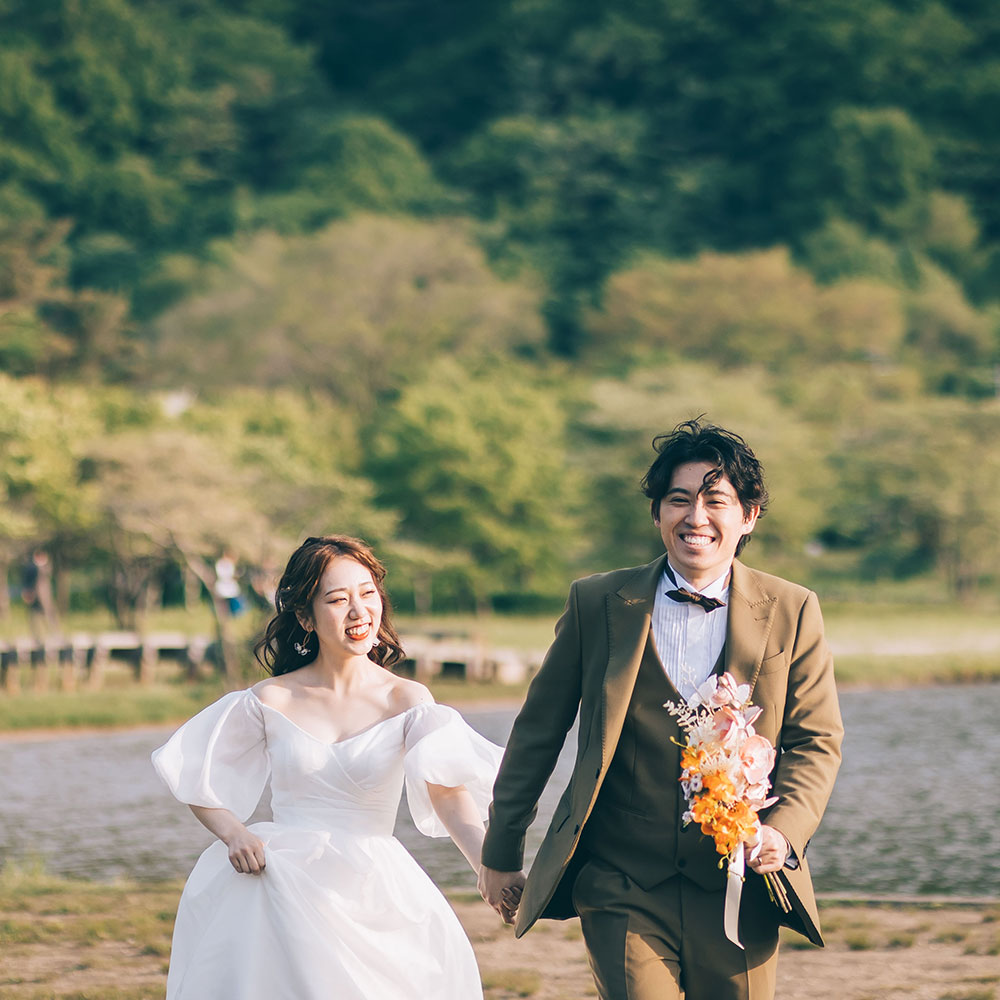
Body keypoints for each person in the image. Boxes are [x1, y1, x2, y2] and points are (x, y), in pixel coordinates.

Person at [479, 419, 844, 1000]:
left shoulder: (793, 609)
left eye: (715, 501)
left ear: (748, 516)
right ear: (657, 514)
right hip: (621, 879)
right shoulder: (597, 601)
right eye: (678, 500)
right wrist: (500, 850)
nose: (695, 517)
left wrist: (785, 831)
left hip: (739, 881)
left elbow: (815, 741)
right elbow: (538, 731)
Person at [153, 535, 505, 1000]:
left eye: (367, 593)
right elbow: (196, 778)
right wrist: (235, 834)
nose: (359, 612)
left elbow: (448, 792)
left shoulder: (407, 700)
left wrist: (488, 865)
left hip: (374, 885)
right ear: (305, 616)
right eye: (338, 600)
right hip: (280, 883)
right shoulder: (269, 699)